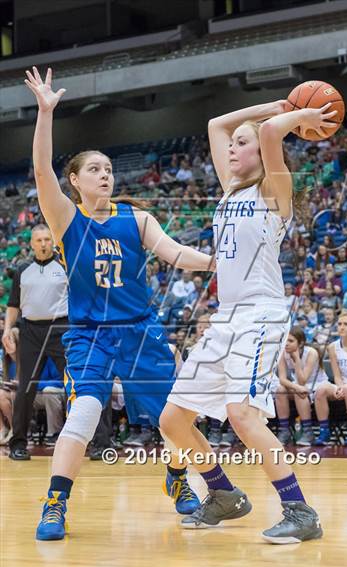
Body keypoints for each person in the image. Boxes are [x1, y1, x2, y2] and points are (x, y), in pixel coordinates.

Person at [25, 67, 214, 541]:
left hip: (141, 330)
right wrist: (46, 113)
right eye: (94, 169)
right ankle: (55, 503)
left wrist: (219, 261)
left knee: (174, 418)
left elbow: (175, 254)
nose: (105, 175)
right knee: (85, 414)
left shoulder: (138, 219)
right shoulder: (66, 218)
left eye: (109, 169)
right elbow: (40, 170)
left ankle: (176, 478)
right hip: (90, 334)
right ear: (74, 181)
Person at [160, 97, 337, 543]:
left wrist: (299, 116)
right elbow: (216, 123)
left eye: (244, 144)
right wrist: (275, 104)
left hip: (262, 315)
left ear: (262, 151)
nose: (232, 149)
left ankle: (300, 511)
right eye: (234, 145)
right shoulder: (230, 190)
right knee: (173, 420)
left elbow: (274, 132)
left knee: (242, 414)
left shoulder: (274, 191)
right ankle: (223, 495)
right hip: (226, 319)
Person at [2, 224, 68, 460]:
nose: (43, 244)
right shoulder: (22, 270)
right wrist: (7, 330)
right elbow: (13, 305)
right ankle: (18, 444)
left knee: (76, 385)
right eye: (39, 240)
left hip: (61, 328)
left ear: (53, 242)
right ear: (31, 244)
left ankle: (97, 441)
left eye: (47, 240)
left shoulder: (64, 266)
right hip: (30, 330)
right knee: (25, 389)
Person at [314, 311, 347, 446]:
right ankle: (324, 431)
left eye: (346, 324)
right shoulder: (332, 347)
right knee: (320, 390)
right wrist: (340, 387)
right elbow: (336, 375)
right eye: (339, 324)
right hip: (342, 384)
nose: (341, 327)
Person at [275, 327, 329, 447]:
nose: (286, 343)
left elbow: (303, 379)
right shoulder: (282, 353)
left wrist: (298, 360)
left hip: (318, 384)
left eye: (290, 341)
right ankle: (285, 431)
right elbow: (282, 379)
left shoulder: (311, 353)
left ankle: (308, 431)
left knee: (299, 392)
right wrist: (296, 387)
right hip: (299, 384)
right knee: (280, 390)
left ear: (301, 343)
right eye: (285, 340)